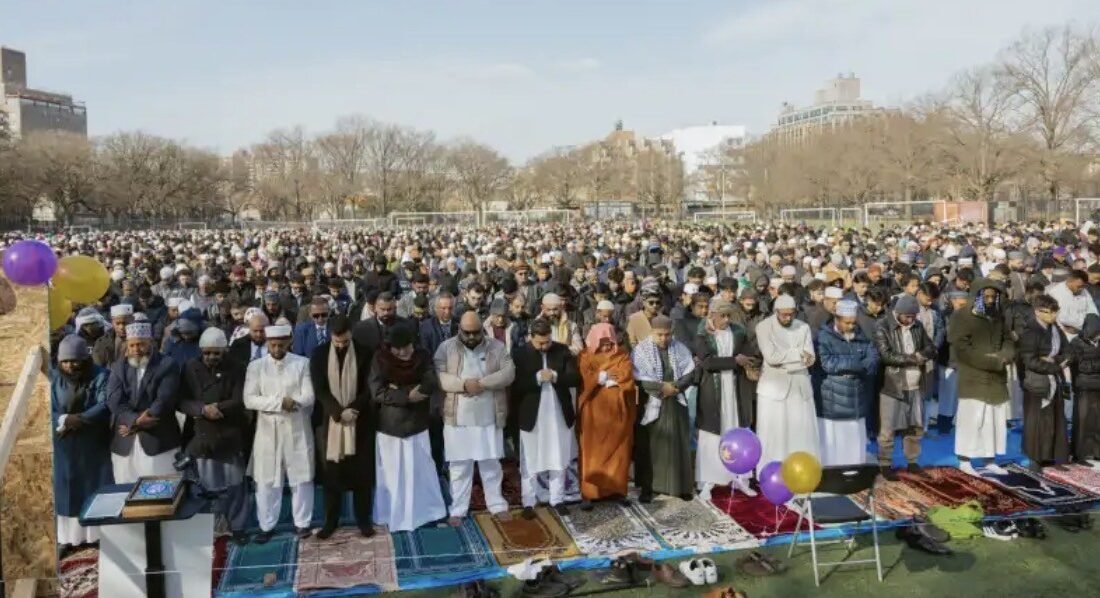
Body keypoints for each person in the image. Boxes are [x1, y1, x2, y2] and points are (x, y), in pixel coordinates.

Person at [435, 312, 516, 524]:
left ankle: (497, 505)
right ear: (459, 329)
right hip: (458, 418)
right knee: (459, 466)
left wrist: (482, 384)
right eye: (467, 333)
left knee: (491, 464)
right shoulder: (446, 348)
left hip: (488, 415)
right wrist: (463, 385)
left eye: (475, 333)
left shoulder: (496, 347)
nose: (471, 337)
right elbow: (439, 375)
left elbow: (509, 373)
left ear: (483, 329)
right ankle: (458, 509)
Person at [369, 322, 446, 531]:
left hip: (417, 424)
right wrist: (406, 395)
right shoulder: (380, 359)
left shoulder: (422, 355)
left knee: (420, 472)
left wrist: (405, 389)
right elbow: (377, 391)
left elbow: (430, 380)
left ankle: (426, 513)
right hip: (390, 427)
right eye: (398, 348)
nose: (403, 352)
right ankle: (392, 515)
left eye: (407, 347)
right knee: (393, 475)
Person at [244, 322, 316, 543]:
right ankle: (266, 525)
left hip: (296, 426)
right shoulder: (256, 367)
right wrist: (278, 403)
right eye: (272, 345)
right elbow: (249, 399)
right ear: (267, 343)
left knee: (301, 478)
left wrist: (292, 403)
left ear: (289, 342)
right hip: (267, 430)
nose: (276, 349)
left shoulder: (302, 364)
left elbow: (309, 396)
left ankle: (302, 523)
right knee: (267, 481)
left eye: (280, 345)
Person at [179, 328, 251, 545]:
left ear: (224, 351)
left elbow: (240, 399)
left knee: (235, 485)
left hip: (229, 432)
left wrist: (217, 408)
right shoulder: (190, 368)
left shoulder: (237, 368)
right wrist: (202, 410)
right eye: (207, 353)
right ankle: (213, 528)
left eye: (216, 353)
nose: (211, 357)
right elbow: (181, 400)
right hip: (202, 435)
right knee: (208, 488)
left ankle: (238, 527)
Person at [309, 315, 375, 539]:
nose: (341, 346)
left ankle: (363, 521)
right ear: (330, 336)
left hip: (360, 421)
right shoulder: (319, 355)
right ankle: (330, 522)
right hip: (331, 423)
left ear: (351, 334)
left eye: (345, 342)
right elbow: (320, 389)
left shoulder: (365, 352)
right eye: (337, 342)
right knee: (332, 476)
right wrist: (338, 412)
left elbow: (369, 387)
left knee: (362, 476)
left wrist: (354, 409)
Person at [511, 318, 580, 516]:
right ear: (531, 338)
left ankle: (557, 499)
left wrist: (556, 376)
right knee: (530, 459)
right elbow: (516, 386)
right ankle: (529, 502)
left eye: (548, 341)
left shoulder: (562, 350)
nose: (544, 346)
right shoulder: (520, 353)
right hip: (532, 415)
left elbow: (575, 378)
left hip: (558, 413)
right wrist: (536, 379)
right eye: (540, 342)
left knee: (559, 457)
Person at [51, 335, 113, 552]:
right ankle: (68, 539)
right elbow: (45, 407)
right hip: (64, 444)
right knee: (67, 492)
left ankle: (95, 537)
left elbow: (106, 403)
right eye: (65, 362)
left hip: (92, 443)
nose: (70, 366)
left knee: (92, 489)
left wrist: (80, 419)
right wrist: (63, 420)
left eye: (75, 361)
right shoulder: (53, 378)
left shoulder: (101, 375)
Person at [950, 279, 1015, 476]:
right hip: (973, 377)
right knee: (972, 420)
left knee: (994, 421)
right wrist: (991, 361)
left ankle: (990, 460)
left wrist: (1005, 356)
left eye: (993, 297)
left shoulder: (999, 316)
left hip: (996, 379)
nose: (989, 300)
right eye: (985, 296)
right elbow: (961, 347)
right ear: (977, 296)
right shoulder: (962, 316)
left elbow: (1009, 340)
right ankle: (965, 460)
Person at [694, 300, 756, 499]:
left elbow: (749, 354)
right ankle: (708, 481)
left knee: (736, 430)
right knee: (712, 435)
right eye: (723, 316)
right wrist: (733, 361)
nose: (727, 320)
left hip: (736, 390)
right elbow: (707, 361)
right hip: (713, 391)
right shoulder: (703, 332)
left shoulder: (738, 331)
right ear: (712, 315)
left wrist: (744, 360)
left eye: (729, 315)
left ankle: (741, 478)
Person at [106, 321, 182, 483]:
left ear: (151, 343)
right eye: (132, 345)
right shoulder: (118, 367)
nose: (136, 350)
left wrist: (139, 421)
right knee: (126, 490)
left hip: (158, 439)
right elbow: (114, 399)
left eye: (141, 344)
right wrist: (134, 421)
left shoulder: (167, 364)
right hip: (125, 440)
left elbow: (164, 399)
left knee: (160, 489)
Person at [632, 315, 696, 502]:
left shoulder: (680, 349)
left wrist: (675, 387)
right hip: (651, 405)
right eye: (659, 335)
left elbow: (689, 373)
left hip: (675, 405)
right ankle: (648, 488)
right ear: (652, 333)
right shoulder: (641, 351)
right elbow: (639, 378)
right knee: (651, 448)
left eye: (667, 335)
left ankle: (680, 487)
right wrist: (662, 388)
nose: (663, 339)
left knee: (677, 445)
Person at [873, 295, 936, 479]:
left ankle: (912, 462)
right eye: (907, 317)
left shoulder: (917, 326)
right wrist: (914, 358)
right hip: (892, 385)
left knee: (915, 426)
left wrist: (921, 355)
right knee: (888, 429)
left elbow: (931, 348)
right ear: (898, 313)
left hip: (915, 385)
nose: (911, 320)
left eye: (913, 316)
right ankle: (885, 464)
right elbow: (886, 356)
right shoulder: (883, 326)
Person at [755, 295, 820, 474]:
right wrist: (798, 354)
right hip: (773, 389)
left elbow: (810, 358)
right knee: (773, 435)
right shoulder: (764, 327)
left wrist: (789, 359)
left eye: (791, 314)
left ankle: (800, 472)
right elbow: (771, 357)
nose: (788, 318)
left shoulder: (803, 327)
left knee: (800, 434)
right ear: (776, 312)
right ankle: (770, 473)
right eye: (784, 315)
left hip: (799, 387)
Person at [576, 323, 636, 508]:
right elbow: (584, 378)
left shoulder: (622, 355)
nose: (607, 346)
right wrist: (600, 377)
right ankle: (589, 493)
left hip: (618, 412)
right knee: (592, 453)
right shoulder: (585, 356)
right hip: (593, 413)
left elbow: (626, 375)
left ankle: (616, 490)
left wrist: (608, 378)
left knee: (619, 452)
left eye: (609, 342)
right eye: (602, 343)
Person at [816, 300, 880, 467]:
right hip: (833, 400)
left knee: (854, 441)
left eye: (853, 322)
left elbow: (873, 358)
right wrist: (859, 364)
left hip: (856, 397)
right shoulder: (824, 337)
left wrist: (851, 365)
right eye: (847, 323)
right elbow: (828, 363)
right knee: (834, 442)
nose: (851, 326)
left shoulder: (861, 336)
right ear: (837, 319)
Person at [1017, 294, 1070, 471]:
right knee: (1037, 421)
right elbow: (1029, 360)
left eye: (1056, 312)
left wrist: (1054, 361)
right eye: (1050, 312)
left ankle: (1051, 455)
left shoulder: (1055, 328)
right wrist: (1052, 365)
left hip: (1054, 378)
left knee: (1054, 419)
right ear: (1038, 312)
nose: (1054, 316)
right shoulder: (1030, 330)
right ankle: (1036, 457)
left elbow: (1068, 351)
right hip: (1037, 381)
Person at [1068, 314, 1100, 465]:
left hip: (1097, 386)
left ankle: (1096, 451)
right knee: (1082, 421)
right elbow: (1079, 366)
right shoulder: (1076, 343)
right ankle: (1080, 453)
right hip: (1083, 387)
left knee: (1097, 421)